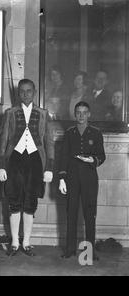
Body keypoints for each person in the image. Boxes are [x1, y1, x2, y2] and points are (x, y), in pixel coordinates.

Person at [0, 79, 54, 256]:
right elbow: (3, 141)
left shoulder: (43, 114)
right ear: (18, 93)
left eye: (29, 91)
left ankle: (27, 243)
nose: (25, 94)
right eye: (22, 91)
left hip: (36, 161)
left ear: (34, 92)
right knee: (14, 201)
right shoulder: (10, 113)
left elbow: (49, 142)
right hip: (14, 160)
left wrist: (49, 167)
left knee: (30, 202)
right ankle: (14, 243)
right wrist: (1, 166)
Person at [59, 101, 105, 261]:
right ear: (74, 114)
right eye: (78, 112)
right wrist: (62, 179)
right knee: (71, 214)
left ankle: (90, 251)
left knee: (90, 215)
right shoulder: (69, 132)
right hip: (71, 179)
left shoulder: (96, 132)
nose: (81, 115)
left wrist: (91, 159)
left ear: (89, 114)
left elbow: (102, 156)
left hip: (90, 179)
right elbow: (63, 157)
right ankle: (70, 250)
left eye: (84, 112)